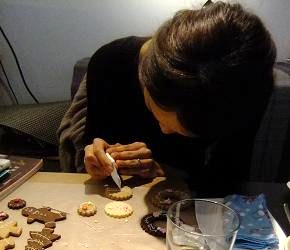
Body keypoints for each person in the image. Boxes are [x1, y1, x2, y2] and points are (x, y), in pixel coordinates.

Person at [58, 1, 276, 193]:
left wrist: (164, 170)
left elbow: (228, 178)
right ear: (144, 75)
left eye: (187, 132)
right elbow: (94, 140)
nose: (163, 131)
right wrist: (96, 157)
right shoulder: (110, 63)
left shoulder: (248, 90)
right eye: (155, 112)